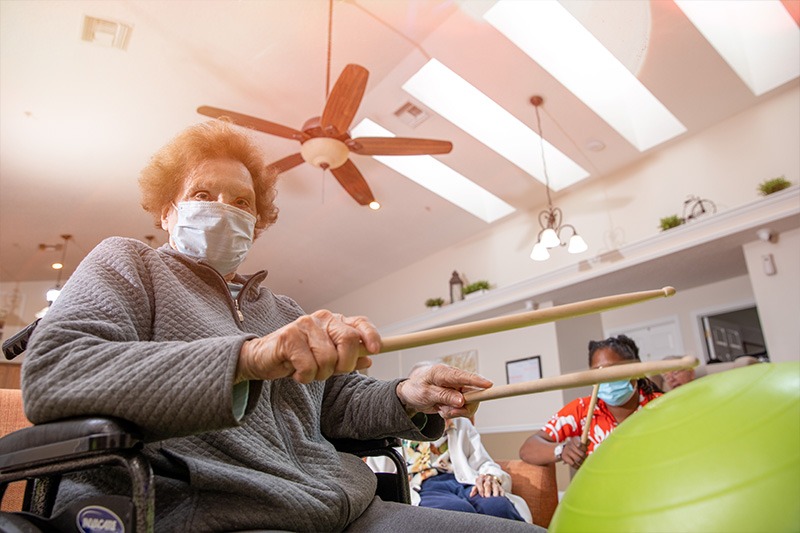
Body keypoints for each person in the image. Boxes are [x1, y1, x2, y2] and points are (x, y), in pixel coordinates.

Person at [21, 121, 542, 532]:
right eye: (204, 194)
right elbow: (54, 371)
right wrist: (248, 358)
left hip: (342, 507)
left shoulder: (284, 308)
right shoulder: (127, 264)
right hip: (216, 512)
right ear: (165, 210)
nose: (225, 209)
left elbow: (334, 401)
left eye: (242, 201)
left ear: (258, 220)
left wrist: (406, 393)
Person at [393, 363, 532, 523]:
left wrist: (491, 476)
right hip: (423, 486)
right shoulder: (398, 427)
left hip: (464, 481)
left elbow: (484, 462)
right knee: (456, 512)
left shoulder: (461, 424)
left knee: (497, 506)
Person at [519, 335, 662, 471]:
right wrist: (561, 450)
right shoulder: (583, 410)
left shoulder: (661, 405)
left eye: (613, 370)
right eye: (597, 373)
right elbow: (527, 449)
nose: (606, 379)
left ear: (636, 370)